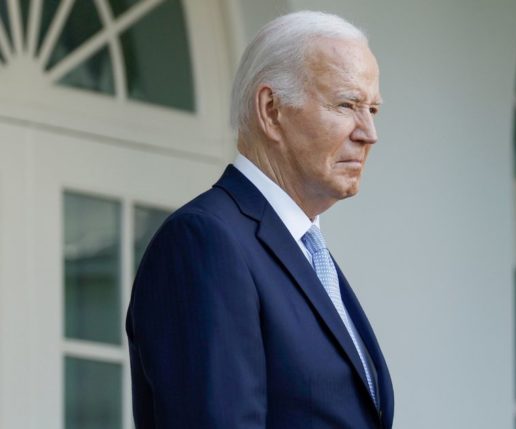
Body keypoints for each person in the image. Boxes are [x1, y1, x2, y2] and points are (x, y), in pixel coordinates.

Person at [126, 11, 393, 428]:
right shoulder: (206, 241)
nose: (368, 132)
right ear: (271, 110)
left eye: (372, 109)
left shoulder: (305, 251)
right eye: (347, 105)